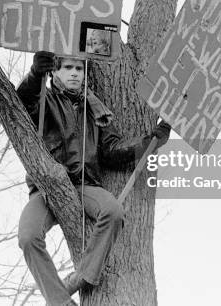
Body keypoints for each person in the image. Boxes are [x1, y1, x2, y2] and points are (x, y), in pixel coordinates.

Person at [16, 51, 171, 306]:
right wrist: (35, 73)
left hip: (84, 184)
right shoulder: (45, 99)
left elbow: (112, 149)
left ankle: (83, 277)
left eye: (79, 68)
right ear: (54, 71)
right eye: (68, 67)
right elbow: (23, 101)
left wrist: (150, 142)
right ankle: (59, 301)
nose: (75, 73)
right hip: (46, 188)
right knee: (28, 237)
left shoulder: (94, 108)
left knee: (113, 211)